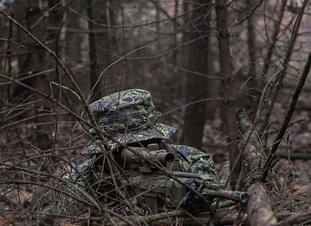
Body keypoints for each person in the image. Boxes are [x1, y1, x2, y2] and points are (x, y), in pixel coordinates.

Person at [59, 89, 222, 214]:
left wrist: (195, 199)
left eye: (146, 142)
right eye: (127, 146)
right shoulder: (78, 180)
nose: (139, 150)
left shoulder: (193, 159)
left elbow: (214, 204)